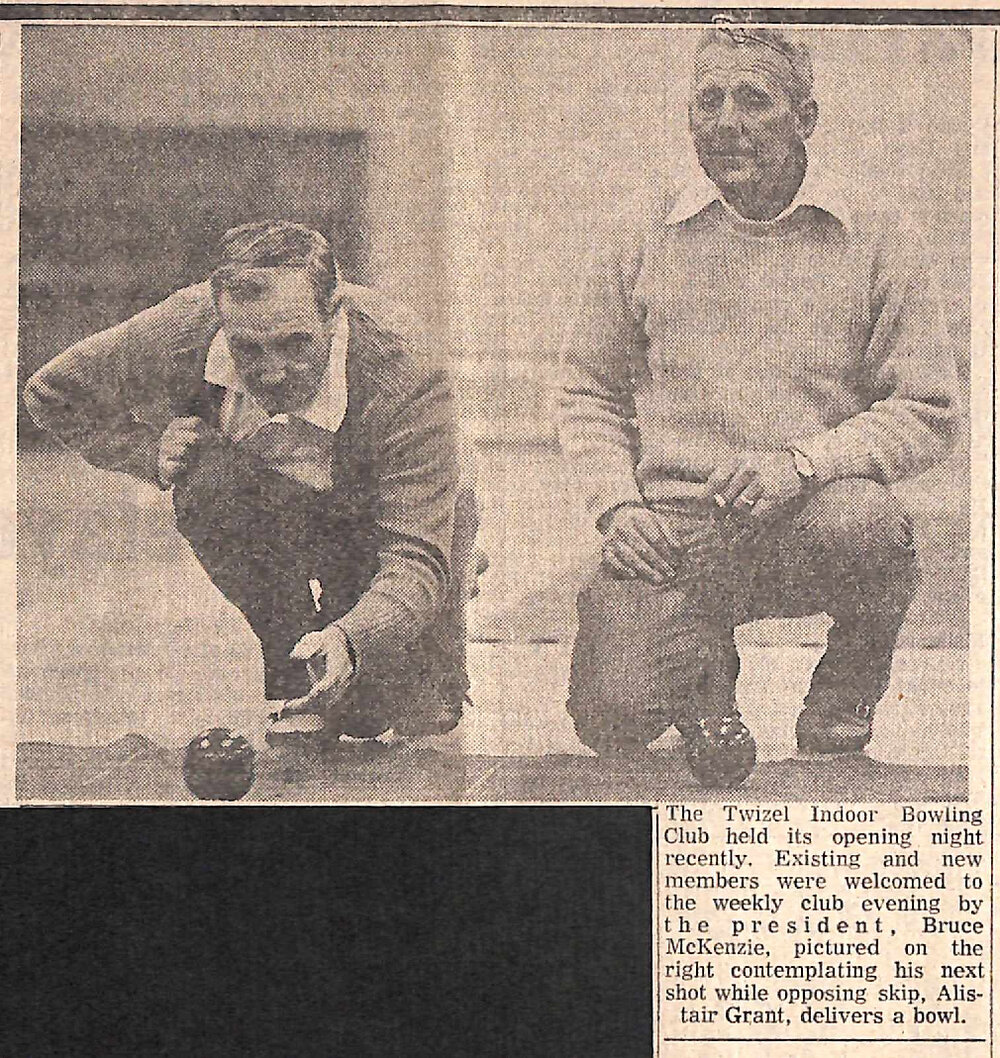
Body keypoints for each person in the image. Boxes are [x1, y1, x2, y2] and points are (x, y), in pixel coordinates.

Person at [558, 20, 958, 784]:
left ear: (804, 117)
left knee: (868, 524)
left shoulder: (876, 237)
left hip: (809, 513)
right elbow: (587, 388)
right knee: (612, 717)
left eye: (754, 100)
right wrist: (617, 507)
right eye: (708, 101)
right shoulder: (643, 231)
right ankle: (704, 672)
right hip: (677, 527)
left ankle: (843, 699)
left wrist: (803, 462)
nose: (727, 124)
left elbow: (927, 408)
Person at [24, 220, 479, 747]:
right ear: (220, 320)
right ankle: (290, 652)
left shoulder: (408, 366)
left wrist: (352, 639)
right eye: (248, 349)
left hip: (391, 522)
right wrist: (148, 451)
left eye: (295, 345)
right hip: (277, 502)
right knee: (206, 482)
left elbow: (414, 554)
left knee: (377, 712)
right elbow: (54, 392)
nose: (272, 374)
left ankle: (450, 600)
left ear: (334, 315)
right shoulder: (185, 325)